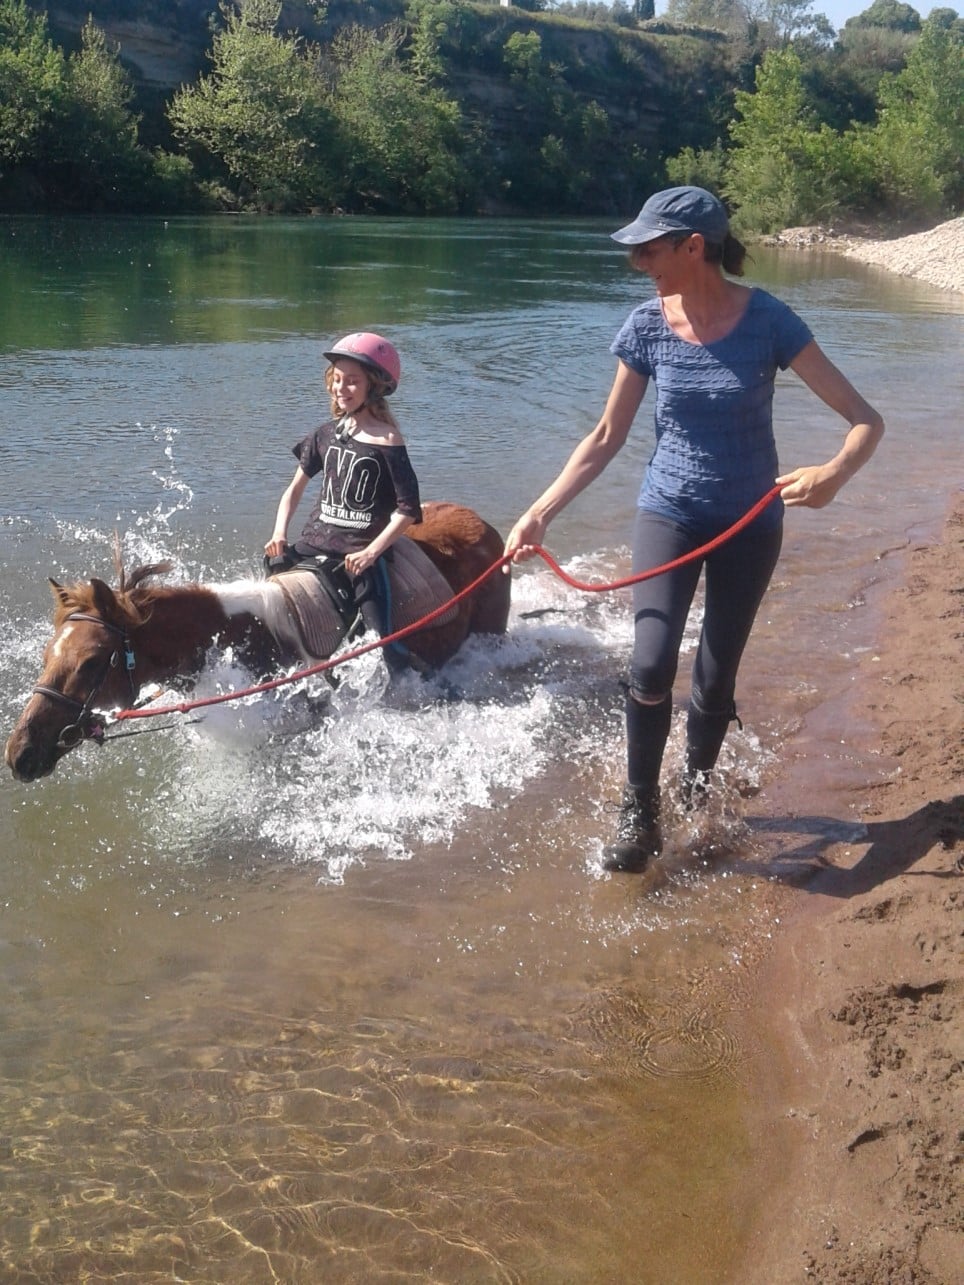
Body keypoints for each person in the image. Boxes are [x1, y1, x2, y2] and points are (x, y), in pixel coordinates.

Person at [504, 186, 884, 873]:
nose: (638, 263)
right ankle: (640, 810)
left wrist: (834, 474)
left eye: (649, 250)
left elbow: (865, 420)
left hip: (749, 523)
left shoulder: (769, 321)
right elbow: (605, 436)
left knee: (714, 678)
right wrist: (540, 511)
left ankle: (697, 791)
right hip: (669, 512)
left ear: (694, 247)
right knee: (649, 663)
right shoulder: (645, 327)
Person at [264, 331, 422, 667]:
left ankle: (406, 671)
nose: (341, 388)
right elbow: (294, 490)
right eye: (337, 379)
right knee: (269, 589)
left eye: (352, 381)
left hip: (359, 552)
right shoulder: (324, 434)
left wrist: (370, 553)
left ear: (374, 387)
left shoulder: (388, 439)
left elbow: (407, 509)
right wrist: (279, 534)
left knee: (380, 642)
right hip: (314, 542)